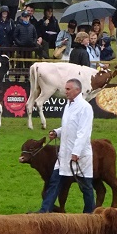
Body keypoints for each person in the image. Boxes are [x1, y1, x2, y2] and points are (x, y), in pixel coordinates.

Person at [39, 79, 95, 213]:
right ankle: (44, 212)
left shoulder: (85, 108)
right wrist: (57, 132)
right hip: (64, 155)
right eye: (66, 89)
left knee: (86, 187)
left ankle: (89, 214)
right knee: (54, 183)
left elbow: (83, 132)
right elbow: (69, 126)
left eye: (68, 89)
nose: (66, 91)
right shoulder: (68, 105)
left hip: (79, 155)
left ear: (77, 90)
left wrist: (76, 152)